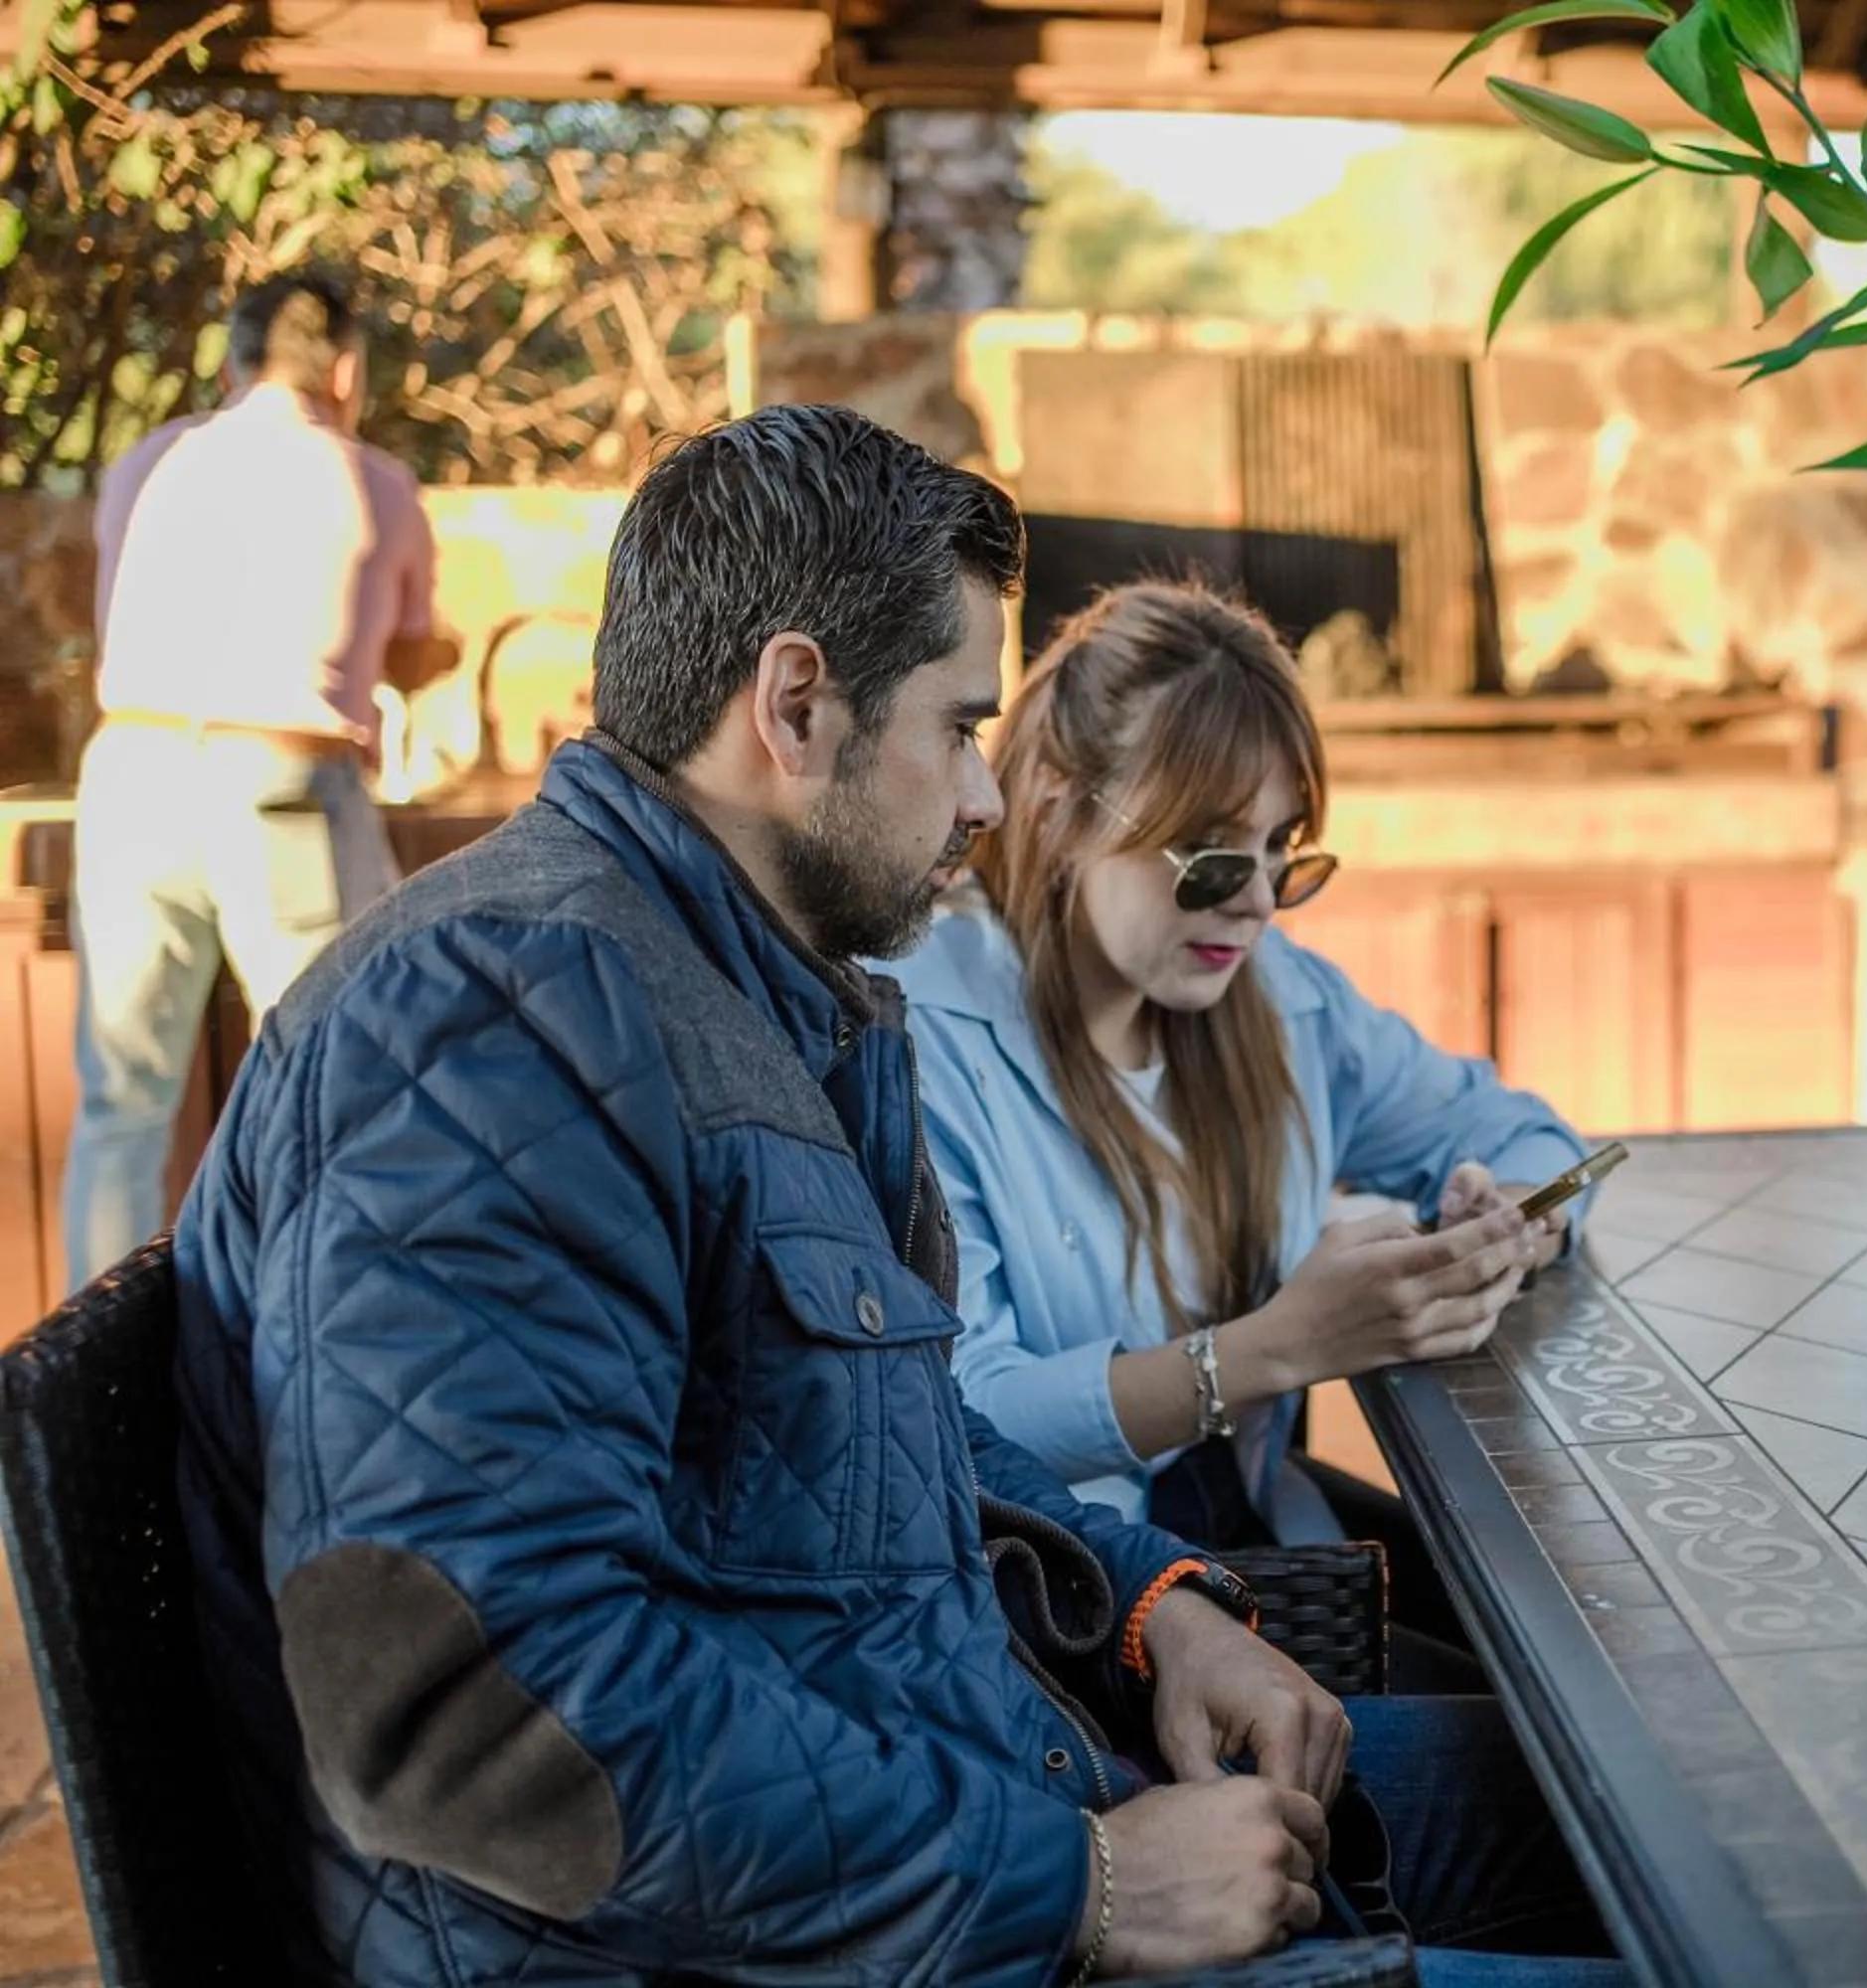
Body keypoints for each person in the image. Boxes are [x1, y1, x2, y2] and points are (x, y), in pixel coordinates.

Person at [173, 406, 1625, 1986]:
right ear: (796, 706)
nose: (991, 798)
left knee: (1625, 1808)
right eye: (957, 725)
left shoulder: (747, 996)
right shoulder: (493, 1026)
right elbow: (471, 1716)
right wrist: (1077, 1887)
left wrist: (1153, 1613)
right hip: (837, 1929)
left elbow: (895, 1443)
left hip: (983, 1786)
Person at [890, 582, 1588, 1595]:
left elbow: (1521, 1129)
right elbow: (968, 1421)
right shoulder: (928, 1035)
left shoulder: (1277, 998)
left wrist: (1514, 1221)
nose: (1259, 902)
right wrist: (1273, 1349)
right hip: (1065, 1616)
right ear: (1062, 804)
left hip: (1266, 1560)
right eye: (1215, 854)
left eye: (1283, 852)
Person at [62, 266, 453, 1291]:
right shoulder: (371, 481)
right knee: (334, 1086)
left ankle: (80, 1391)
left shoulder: (147, 462)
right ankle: (321, 1337)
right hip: (281, 778)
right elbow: (403, 655)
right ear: (345, 368)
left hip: (135, 769)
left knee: (122, 1099)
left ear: (231, 364)